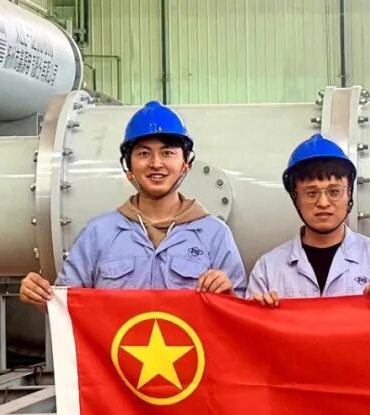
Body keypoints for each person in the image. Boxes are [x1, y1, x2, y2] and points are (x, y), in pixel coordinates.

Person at [18, 101, 246, 311]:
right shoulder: (99, 234)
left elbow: (240, 316)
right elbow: (65, 307)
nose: (156, 163)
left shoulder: (214, 235)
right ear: (129, 168)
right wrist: (42, 296)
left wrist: (228, 294)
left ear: (186, 164)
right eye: (144, 153)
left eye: (167, 153)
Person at [247, 134, 370, 307]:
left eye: (334, 192)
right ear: (295, 198)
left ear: (349, 194)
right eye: (311, 193)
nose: (323, 203)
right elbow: (246, 323)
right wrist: (259, 313)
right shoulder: (267, 269)